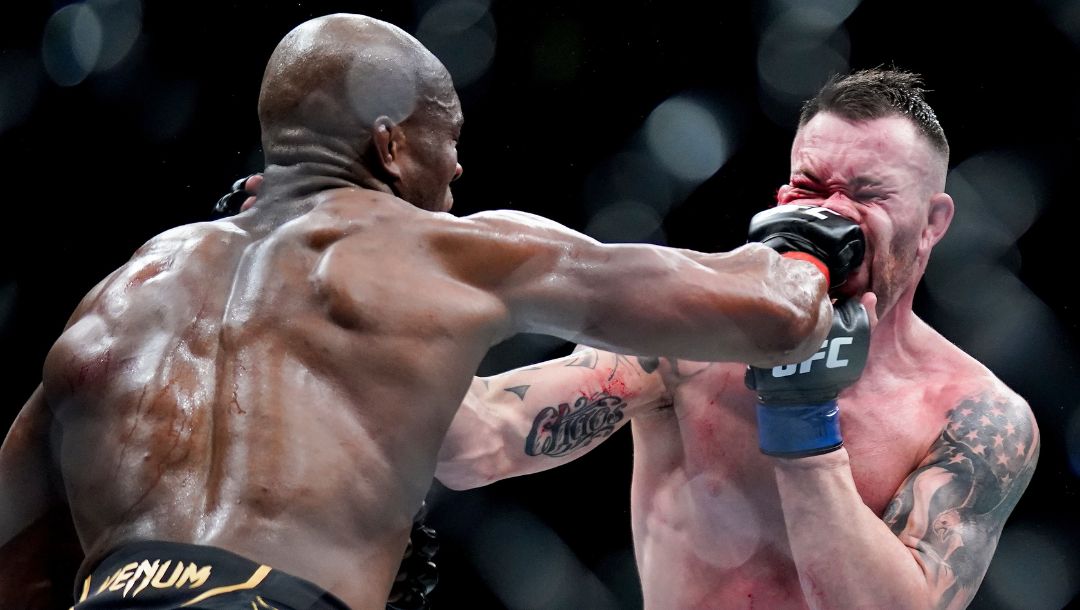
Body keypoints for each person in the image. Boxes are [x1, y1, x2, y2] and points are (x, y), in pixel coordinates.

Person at [0, 13, 851, 610]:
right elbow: (773, 313)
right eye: (451, 140)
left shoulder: (124, 292)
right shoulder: (446, 248)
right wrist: (815, 236)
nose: (458, 176)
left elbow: (19, 560)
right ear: (391, 143)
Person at [436, 69, 1040, 609]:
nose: (827, 216)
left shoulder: (977, 417)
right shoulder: (692, 333)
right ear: (781, 198)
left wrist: (802, 417)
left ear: (934, 222)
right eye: (810, 187)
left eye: (866, 194)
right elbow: (483, 442)